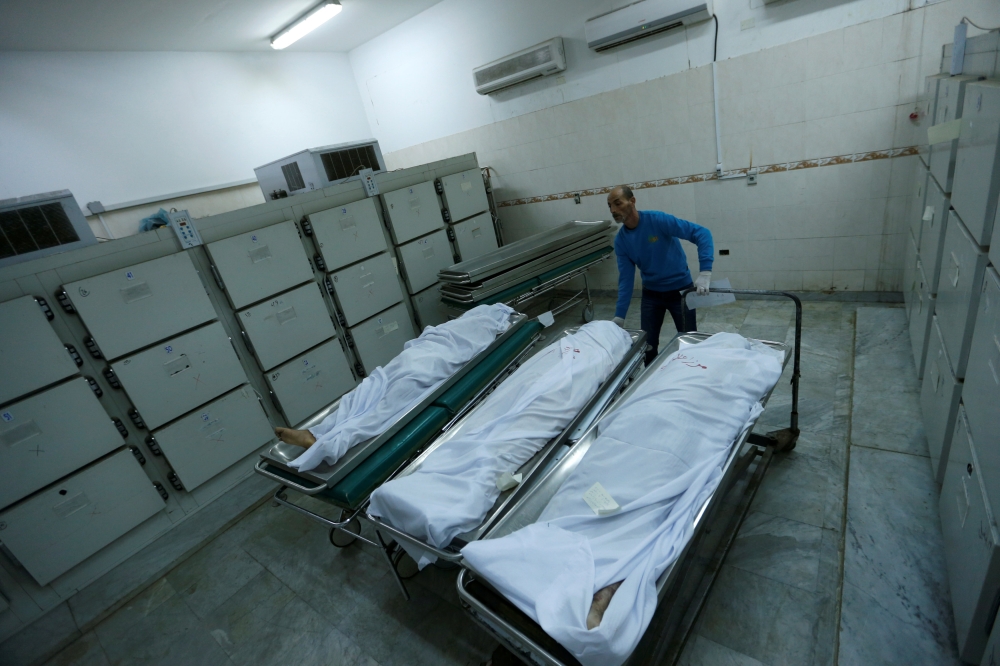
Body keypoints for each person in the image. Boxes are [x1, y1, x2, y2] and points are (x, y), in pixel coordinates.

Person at [608, 185, 714, 365]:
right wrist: (620, 315)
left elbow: (702, 233)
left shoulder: (657, 220)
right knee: (647, 346)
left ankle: (691, 381)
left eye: (618, 203)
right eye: (610, 206)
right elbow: (626, 279)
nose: (613, 210)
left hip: (680, 292)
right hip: (652, 295)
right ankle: (652, 386)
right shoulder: (621, 241)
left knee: (689, 343)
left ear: (632, 201)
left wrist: (705, 271)